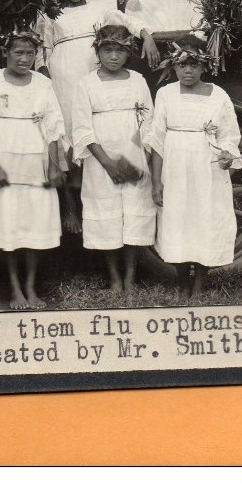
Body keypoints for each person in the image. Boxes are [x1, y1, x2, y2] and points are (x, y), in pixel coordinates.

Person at [36, 0, 158, 234]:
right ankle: (70, 206)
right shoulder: (50, 14)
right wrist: (44, 75)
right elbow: (42, 49)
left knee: (94, 131)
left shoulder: (99, 10)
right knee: (67, 134)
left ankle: (100, 207)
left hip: (91, 74)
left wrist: (146, 35)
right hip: (62, 78)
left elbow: (125, 20)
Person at [144, 36, 241, 298]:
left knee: (204, 220)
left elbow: (229, 135)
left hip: (206, 167)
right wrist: (156, 181)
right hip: (174, 167)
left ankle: (199, 283)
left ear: (204, 67)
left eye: (194, 65)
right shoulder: (165, 93)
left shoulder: (218, 95)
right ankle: (182, 283)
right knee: (176, 220)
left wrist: (227, 153)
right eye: (182, 65)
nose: (188, 71)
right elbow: (157, 139)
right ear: (173, 67)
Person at [0, 29, 65, 310]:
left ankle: (30, 286)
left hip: (36, 162)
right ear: (6, 53)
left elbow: (53, 127)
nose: (24, 58)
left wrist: (53, 167)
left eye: (30, 53)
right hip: (4, 161)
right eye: (18, 52)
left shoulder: (42, 83)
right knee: (9, 227)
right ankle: (15, 288)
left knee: (34, 225)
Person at [70, 25, 156, 293]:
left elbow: (148, 121)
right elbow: (82, 128)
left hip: (133, 158)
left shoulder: (138, 81)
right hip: (101, 161)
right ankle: (114, 278)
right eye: (108, 50)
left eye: (120, 51)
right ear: (98, 51)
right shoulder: (86, 84)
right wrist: (107, 163)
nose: (114, 57)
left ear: (128, 53)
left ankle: (130, 277)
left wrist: (136, 159)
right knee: (106, 216)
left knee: (133, 217)